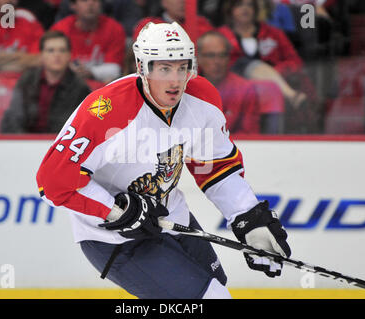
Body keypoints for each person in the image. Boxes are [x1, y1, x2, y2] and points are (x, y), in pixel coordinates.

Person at [36, 22, 291, 299]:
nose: (175, 80)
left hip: (172, 216)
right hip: (115, 238)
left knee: (216, 287)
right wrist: (118, 210)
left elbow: (217, 168)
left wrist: (247, 217)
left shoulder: (201, 99)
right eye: (164, 68)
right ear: (142, 67)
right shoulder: (104, 111)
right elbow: (53, 183)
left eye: (182, 68)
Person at [218, 0, 307, 110]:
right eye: (239, 5)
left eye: (249, 5)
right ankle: (292, 95)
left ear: (255, 9)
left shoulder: (274, 33)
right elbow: (217, 66)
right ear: (230, 10)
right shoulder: (219, 37)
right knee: (244, 64)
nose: (245, 9)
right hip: (237, 93)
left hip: (274, 93)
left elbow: (295, 61)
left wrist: (274, 72)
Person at [1, 30, 91, 133]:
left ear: (69, 55)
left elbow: (79, 127)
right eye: (51, 50)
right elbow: (13, 117)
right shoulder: (27, 79)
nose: (57, 55)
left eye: (62, 50)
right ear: (42, 55)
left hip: (60, 144)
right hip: (24, 142)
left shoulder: (80, 88)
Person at [197, 30, 285, 134]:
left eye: (222, 55)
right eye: (211, 55)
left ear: (229, 58)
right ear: (199, 58)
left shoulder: (245, 89)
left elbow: (249, 134)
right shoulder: (187, 88)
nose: (217, 61)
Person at [50, 0, 126, 88]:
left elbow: (115, 70)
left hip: (102, 92)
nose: (90, 3)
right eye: (84, 0)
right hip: (67, 88)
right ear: (73, 5)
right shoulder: (60, 29)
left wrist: (90, 72)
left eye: (95, 0)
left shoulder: (114, 28)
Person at [0, 0, 44, 74]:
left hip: (25, 82)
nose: (10, 1)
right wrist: (21, 57)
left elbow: (39, 59)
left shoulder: (32, 26)